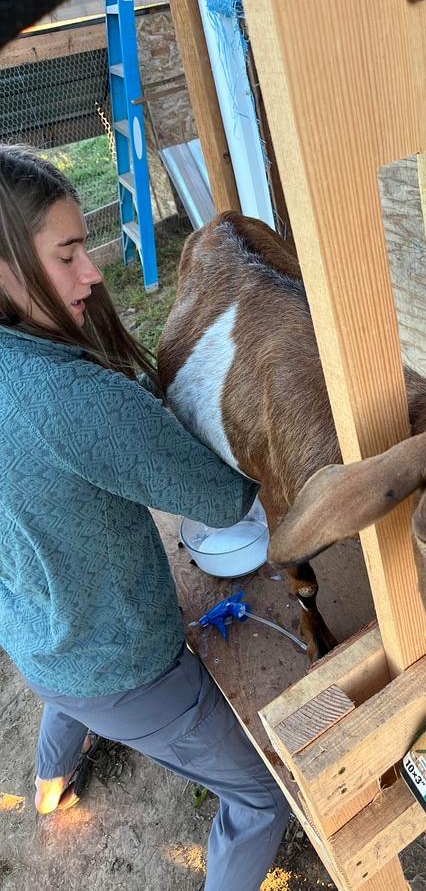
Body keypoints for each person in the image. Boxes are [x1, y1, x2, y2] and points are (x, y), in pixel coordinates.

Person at [0, 145, 291, 891]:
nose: (92, 272)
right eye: (67, 254)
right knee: (260, 796)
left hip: (31, 626)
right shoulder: (78, 402)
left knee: (57, 684)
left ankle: (49, 784)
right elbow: (224, 499)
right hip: (124, 669)